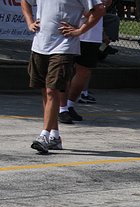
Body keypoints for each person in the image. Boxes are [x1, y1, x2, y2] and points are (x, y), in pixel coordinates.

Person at [20, 0, 104, 154]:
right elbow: (25, 1)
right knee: (46, 91)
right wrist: (30, 22)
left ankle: (44, 135)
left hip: (64, 47)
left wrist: (79, 30)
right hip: (40, 45)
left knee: (52, 90)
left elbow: (99, 9)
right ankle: (55, 136)